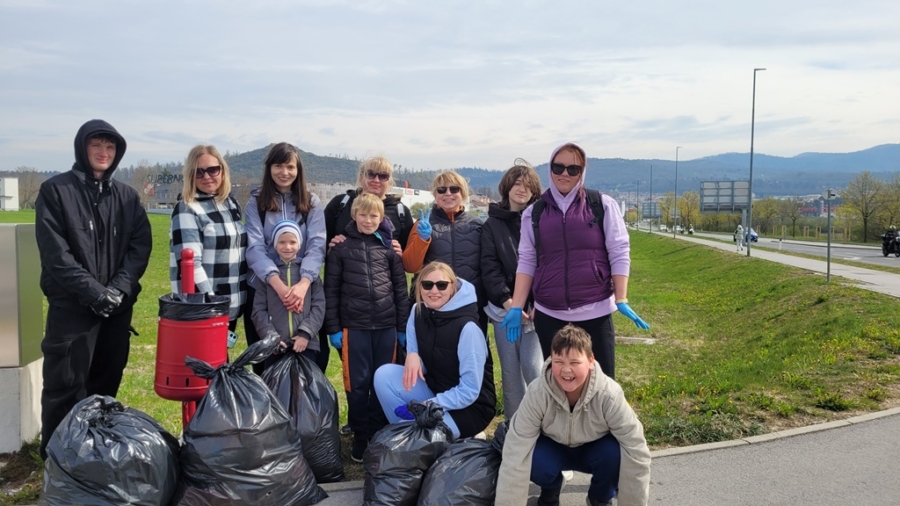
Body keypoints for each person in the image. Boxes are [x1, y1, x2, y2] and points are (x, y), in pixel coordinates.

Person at [35, 119, 152, 459]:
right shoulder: (56, 192)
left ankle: (95, 460)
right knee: (65, 387)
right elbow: (57, 255)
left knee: (106, 384)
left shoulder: (128, 199)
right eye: (96, 145)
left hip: (115, 311)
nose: (103, 152)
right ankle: (59, 464)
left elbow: (139, 247)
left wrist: (117, 290)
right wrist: (93, 293)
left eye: (110, 147)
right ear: (82, 148)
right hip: (72, 311)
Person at [502, 142, 648, 380]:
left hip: (595, 310)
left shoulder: (601, 205)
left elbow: (619, 250)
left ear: (582, 172)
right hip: (550, 314)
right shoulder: (534, 213)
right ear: (549, 169)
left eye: (573, 169)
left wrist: (621, 297)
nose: (564, 174)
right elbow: (527, 260)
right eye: (558, 167)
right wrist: (517, 305)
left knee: (601, 382)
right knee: (559, 383)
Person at [495, 324, 651, 506]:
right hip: (553, 448)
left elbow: (636, 448)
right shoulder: (537, 393)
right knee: (528, 456)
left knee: (618, 455)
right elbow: (516, 448)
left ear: (591, 361)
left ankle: (599, 498)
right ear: (550, 359)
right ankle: (551, 490)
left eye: (575, 363)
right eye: (559, 362)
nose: (566, 370)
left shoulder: (609, 394)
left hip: (596, 449)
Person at [323, 194, 410, 462]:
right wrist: (333, 328)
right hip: (354, 329)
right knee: (357, 385)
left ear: (381, 218)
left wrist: (402, 327)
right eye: (363, 215)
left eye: (374, 216)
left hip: (386, 327)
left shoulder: (389, 251)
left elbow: (400, 290)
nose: (369, 220)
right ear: (354, 216)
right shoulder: (340, 250)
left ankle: (380, 432)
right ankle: (361, 437)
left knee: (382, 382)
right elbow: (331, 291)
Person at [374, 261, 496, 440]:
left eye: (442, 285)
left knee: (414, 440)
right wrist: (413, 354)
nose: (434, 291)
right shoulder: (417, 311)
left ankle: (458, 436)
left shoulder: (468, 328)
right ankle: (406, 433)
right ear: (420, 287)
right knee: (384, 375)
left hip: (470, 409)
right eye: (427, 284)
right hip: (435, 389)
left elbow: (469, 391)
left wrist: (428, 406)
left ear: (452, 287)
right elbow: (414, 350)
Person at [244, 142, 326, 374]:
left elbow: (316, 245)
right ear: (269, 168)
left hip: (304, 289)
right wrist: (277, 284)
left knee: (309, 359)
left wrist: (303, 283)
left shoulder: (311, 203)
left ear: (298, 170)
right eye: (278, 166)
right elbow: (255, 247)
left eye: (290, 166)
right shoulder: (256, 203)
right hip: (265, 287)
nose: (284, 172)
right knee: (266, 362)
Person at [480, 160, 544, 419]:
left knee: (533, 367)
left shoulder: (540, 221)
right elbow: (489, 267)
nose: (521, 189)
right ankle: (515, 427)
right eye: (517, 184)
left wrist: (537, 303)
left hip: (536, 310)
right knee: (510, 372)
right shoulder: (491, 225)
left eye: (527, 186)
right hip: (504, 309)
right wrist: (509, 303)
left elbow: (546, 264)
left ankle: (546, 421)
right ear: (507, 188)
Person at [169, 144, 247, 332]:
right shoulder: (187, 209)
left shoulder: (229, 204)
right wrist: (211, 305)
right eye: (199, 172)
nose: (207, 176)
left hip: (231, 304)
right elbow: (190, 265)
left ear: (222, 170)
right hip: (204, 308)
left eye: (212, 170)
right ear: (190, 176)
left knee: (221, 361)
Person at [403, 171, 487, 332]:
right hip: (432, 305)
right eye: (441, 190)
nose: (448, 193)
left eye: (454, 189)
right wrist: (422, 240)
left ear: (463, 193)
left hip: (469, 306)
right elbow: (410, 266)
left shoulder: (477, 226)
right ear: (435, 194)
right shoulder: (423, 224)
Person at [251, 220, 325, 368]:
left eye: (292, 242)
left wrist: (305, 334)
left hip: (306, 344)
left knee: (304, 389)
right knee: (276, 389)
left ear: (299, 244)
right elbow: (258, 311)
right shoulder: (268, 277)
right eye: (282, 242)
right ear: (274, 245)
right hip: (276, 347)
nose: (287, 247)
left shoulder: (310, 276)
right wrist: (271, 338)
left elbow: (319, 307)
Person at [324, 156, 413, 253]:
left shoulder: (401, 212)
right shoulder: (340, 203)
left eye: (383, 176)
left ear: (389, 181)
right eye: (371, 174)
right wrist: (329, 245)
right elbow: (319, 241)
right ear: (361, 177)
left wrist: (401, 253)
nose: (376, 180)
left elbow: (409, 257)